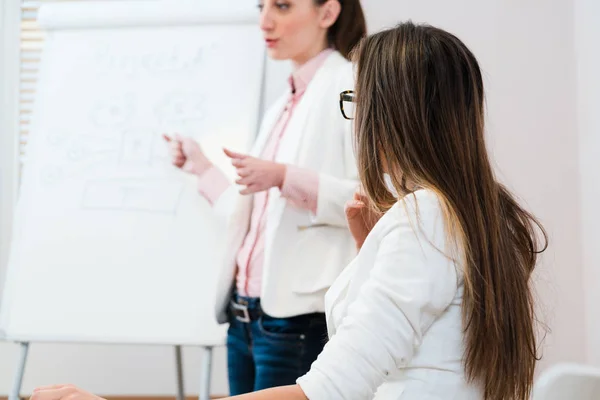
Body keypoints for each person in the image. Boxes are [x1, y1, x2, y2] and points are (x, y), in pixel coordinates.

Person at [29, 21, 548, 400]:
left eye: (358, 102)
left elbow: (330, 390)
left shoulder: (425, 222)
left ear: (388, 113)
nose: (354, 118)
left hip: (288, 321)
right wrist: (374, 250)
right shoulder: (475, 215)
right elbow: (430, 338)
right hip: (253, 310)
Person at [163, 0, 366, 395]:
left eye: (283, 6)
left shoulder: (351, 87)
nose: (265, 20)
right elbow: (259, 215)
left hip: (295, 321)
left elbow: (375, 199)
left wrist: (285, 176)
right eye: (261, 6)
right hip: (245, 315)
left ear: (328, 14)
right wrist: (203, 168)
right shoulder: (283, 103)